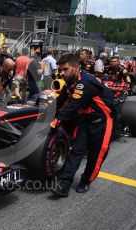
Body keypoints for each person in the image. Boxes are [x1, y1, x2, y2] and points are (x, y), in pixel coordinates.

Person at [49, 53, 115, 197]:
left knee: (96, 155)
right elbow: (61, 100)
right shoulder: (70, 81)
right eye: (60, 70)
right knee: (76, 152)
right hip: (85, 119)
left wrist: (56, 121)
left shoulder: (84, 82)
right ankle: (64, 185)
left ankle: (86, 180)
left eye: (65, 69)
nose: (61, 73)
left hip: (103, 121)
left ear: (76, 67)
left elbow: (72, 105)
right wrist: (48, 115)